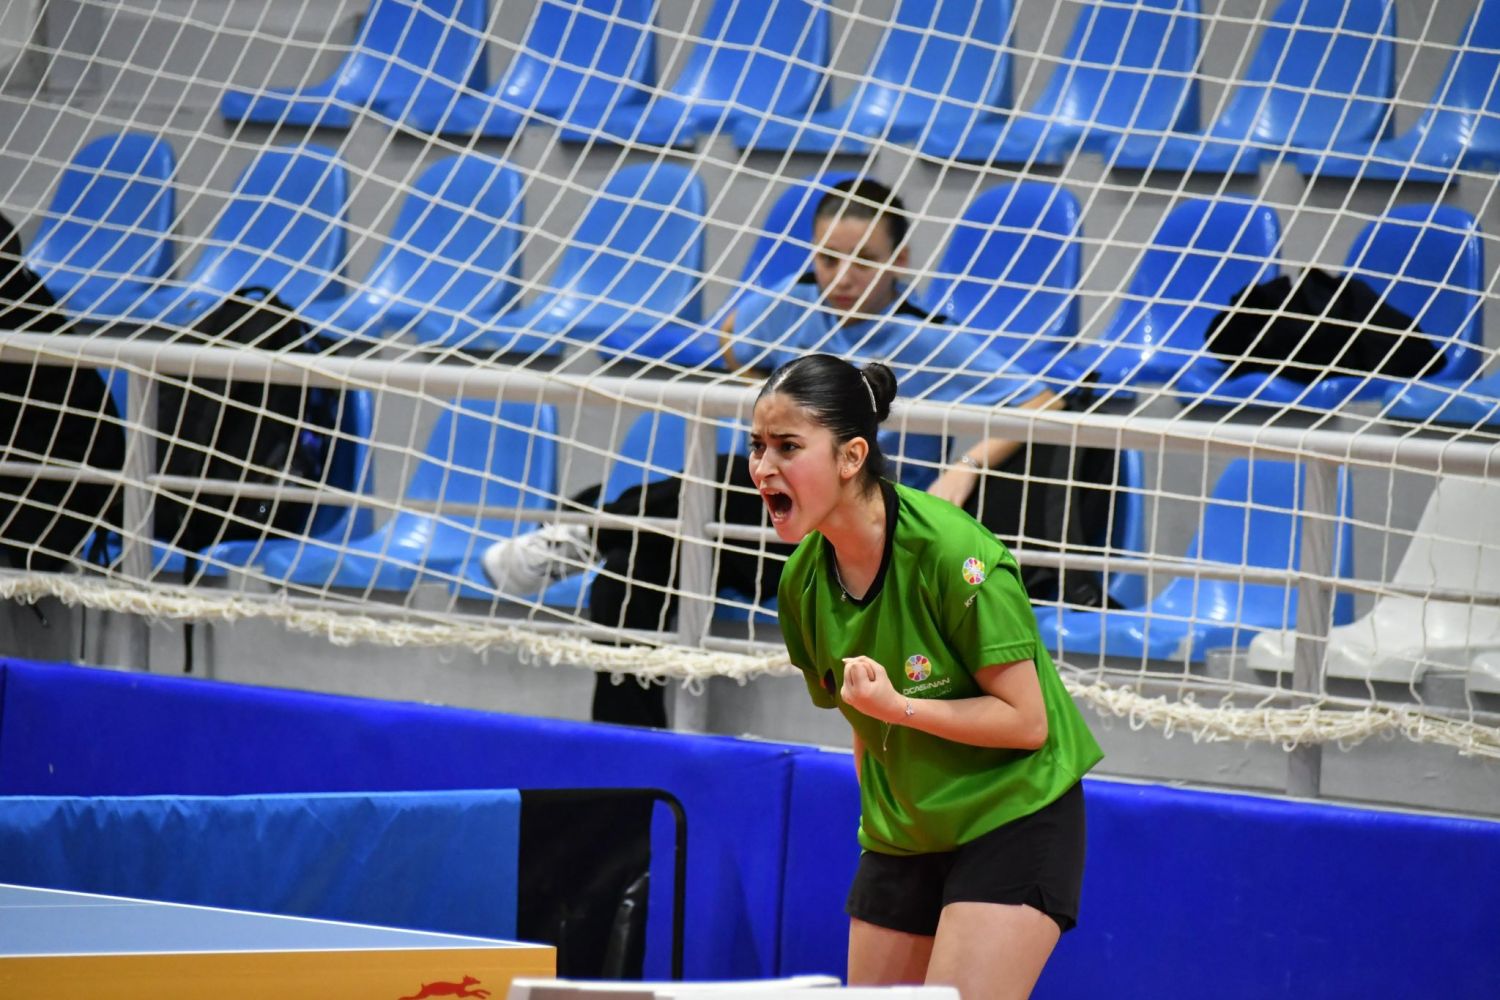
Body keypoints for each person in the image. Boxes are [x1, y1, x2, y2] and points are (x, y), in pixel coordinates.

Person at [482, 178, 1061, 726]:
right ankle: (632, 757)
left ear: (901, 261)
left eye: (864, 260)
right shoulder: (796, 305)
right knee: (632, 572)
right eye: (828, 259)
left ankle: (591, 527)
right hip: (773, 528)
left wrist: (965, 468)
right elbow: (732, 340)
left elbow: (1044, 401)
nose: (843, 277)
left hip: (858, 543)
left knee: (729, 478)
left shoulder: (929, 337)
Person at [752, 353, 1102, 999]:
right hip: (905, 831)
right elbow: (862, 723)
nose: (763, 467)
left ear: (851, 457)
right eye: (758, 446)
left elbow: (1026, 722)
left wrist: (899, 709)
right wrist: (884, 822)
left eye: (788, 446)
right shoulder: (802, 581)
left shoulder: (953, 553)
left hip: (1012, 813)